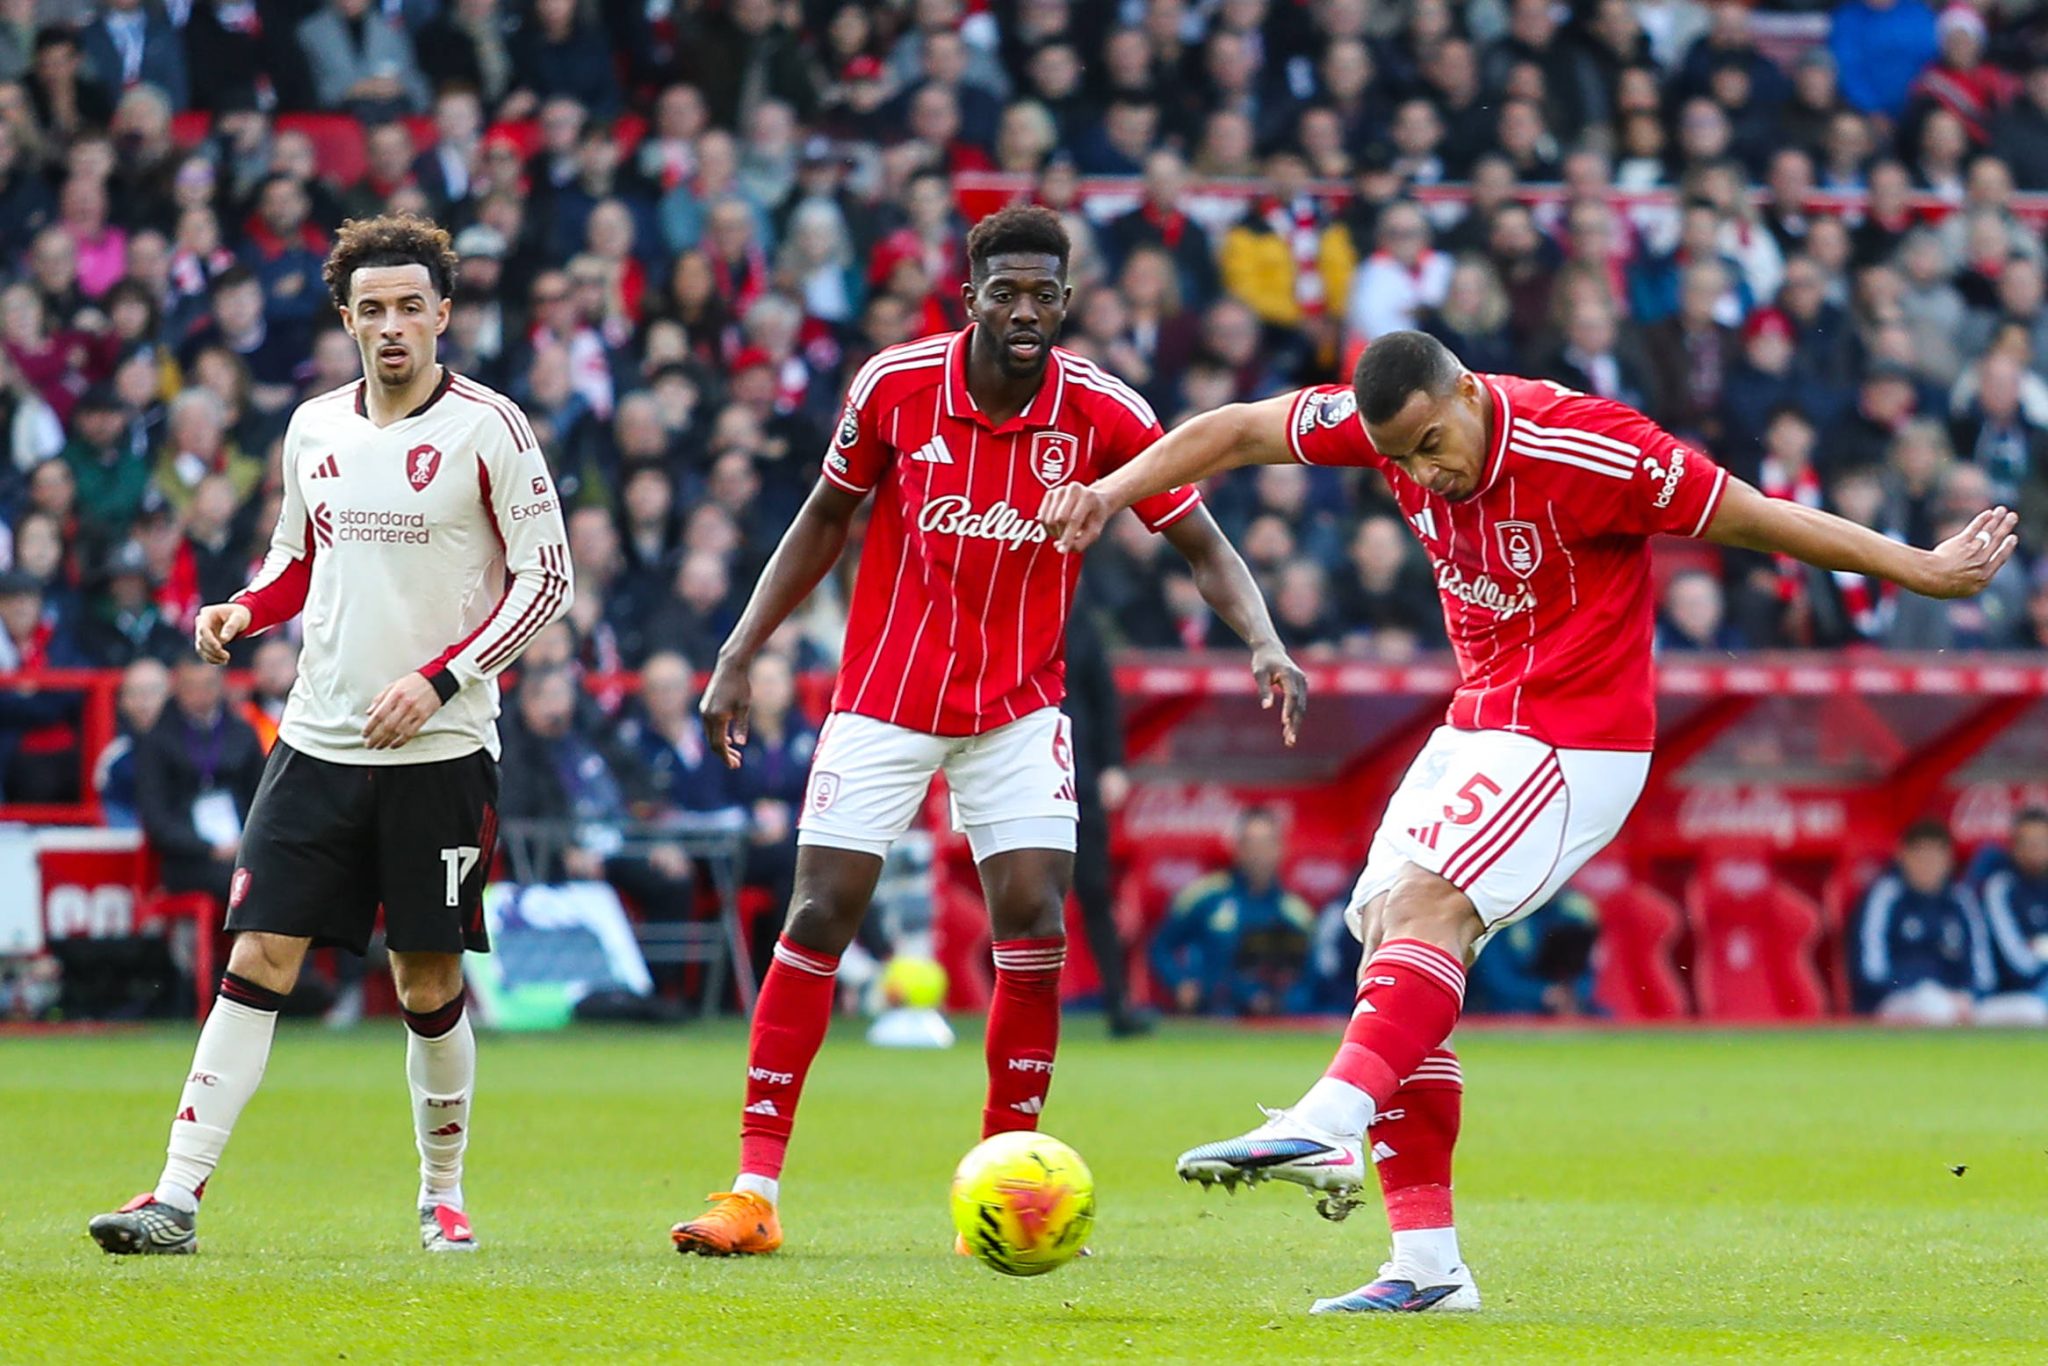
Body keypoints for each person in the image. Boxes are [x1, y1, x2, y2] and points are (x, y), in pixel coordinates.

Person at [1037, 329, 2016, 1314]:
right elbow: (1236, 431)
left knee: (1429, 910)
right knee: (1386, 931)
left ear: (1465, 390)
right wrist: (1109, 494)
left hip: (1574, 734)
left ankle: (1327, 1119)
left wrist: (1920, 571)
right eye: (1402, 458)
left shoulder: (1586, 447)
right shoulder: (1381, 430)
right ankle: (1426, 1267)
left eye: (1431, 443)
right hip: (1481, 719)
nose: (1425, 471)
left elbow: (1757, 518)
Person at [672, 204, 1306, 1258]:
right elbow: (823, 520)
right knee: (823, 910)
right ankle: (750, 1190)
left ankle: (1007, 1184)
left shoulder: (1103, 413)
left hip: (1016, 708)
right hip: (883, 695)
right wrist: (741, 649)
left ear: (1066, 302)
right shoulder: (893, 387)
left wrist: (1264, 639)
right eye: (1004, 291)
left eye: (1043, 295)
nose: (1024, 311)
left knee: (1035, 918)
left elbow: (1199, 536)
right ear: (966, 296)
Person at [89, 213, 573, 1258]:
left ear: (442, 313)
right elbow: (293, 560)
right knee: (257, 952)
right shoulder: (313, 427)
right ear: (345, 319)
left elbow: (548, 582)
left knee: (425, 981)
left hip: (440, 753)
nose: (391, 326)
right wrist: (239, 611)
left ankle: (441, 1193)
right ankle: (173, 1196)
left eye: (409, 306)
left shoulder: (491, 427)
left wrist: (441, 679)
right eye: (371, 310)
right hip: (315, 742)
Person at [1149, 806, 1317, 1018]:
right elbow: (1161, 947)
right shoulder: (1205, 898)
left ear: (1280, 848)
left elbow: (1309, 980)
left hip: (1271, 1026)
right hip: (1208, 1018)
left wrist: (1278, 1003)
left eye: (1266, 844)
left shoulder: (1297, 915)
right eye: (1251, 844)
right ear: (1237, 848)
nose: (1259, 854)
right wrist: (1180, 983)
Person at [134, 654, 265, 906]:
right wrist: (206, 848)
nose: (200, 695)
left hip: (244, 847)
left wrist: (246, 843)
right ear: (177, 688)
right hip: (188, 859)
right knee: (244, 881)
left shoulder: (243, 733)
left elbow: (261, 798)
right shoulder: (157, 741)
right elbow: (156, 817)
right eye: (191, 687)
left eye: (208, 685)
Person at [1852, 821, 1994, 1025]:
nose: (1928, 865)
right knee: (1932, 1003)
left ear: (1948, 859)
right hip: (1896, 1000)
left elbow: (1983, 971)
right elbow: (1871, 971)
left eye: (1935, 857)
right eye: (1921, 857)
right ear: (1903, 856)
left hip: (1959, 1000)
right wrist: (1920, 988)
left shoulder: (1961, 899)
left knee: (2027, 1010)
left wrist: (1969, 995)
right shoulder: (1886, 895)